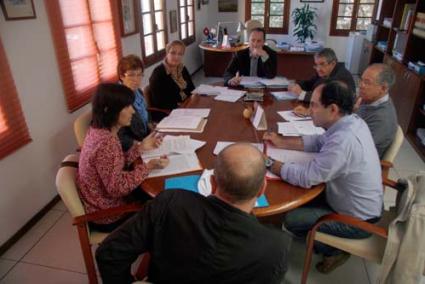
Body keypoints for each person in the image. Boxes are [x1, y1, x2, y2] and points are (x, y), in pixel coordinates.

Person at [96, 143, 288, 284]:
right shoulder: (276, 248)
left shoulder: (169, 203)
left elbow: (109, 253)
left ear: (212, 183)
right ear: (262, 189)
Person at [263, 81, 382, 273]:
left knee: (292, 219)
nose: (309, 110)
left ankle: (334, 251)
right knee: (295, 198)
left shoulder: (344, 141)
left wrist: (268, 163)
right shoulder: (350, 122)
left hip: (357, 220)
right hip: (351, 201)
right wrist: (281, 141)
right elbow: (319, 142)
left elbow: (307, 177)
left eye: (314, 105)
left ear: (333, 109)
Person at [77, 83, 169, 232]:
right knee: (164, 206)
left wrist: (140, 147)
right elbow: (117, 188)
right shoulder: (106, 143)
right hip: (108, 214)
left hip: (101, 200)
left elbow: (114, 164)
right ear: (109, 110)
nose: (133, 111)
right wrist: (149, 167)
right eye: (127, 107)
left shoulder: (97, 130)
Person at [356, 63, 398, 159]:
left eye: (367, 82)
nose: (361, 86)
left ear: (383, 88)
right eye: (361, 80)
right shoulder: (370, 98)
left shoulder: (382, 119)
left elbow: (358, 149)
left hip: (360, 163)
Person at [288, 48, 355, 102]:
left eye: (322, 64)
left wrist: (302, 94)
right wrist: (296, 85)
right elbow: (309, 83)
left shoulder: (341, 76)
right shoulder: (323, 72)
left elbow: (326, 98)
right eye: (316, 65)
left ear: (333, 63)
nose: (318, 69)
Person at [149, 40, 195, 113]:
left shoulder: (182, 68)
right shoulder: (158, 73)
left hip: (187, 106)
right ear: (167, 53)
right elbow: (158, 102)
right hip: (170, 112)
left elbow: (192, 88)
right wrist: (180, 106)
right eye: (173, 53)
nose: (176, 57)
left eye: (180, 54)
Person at [117, 54, 150, 151]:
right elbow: (119, 136)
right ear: (122, 76)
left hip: (146, 138)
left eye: (139, 74)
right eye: (131, 75)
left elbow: (146, 115)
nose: (136, 79)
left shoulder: (138, 92)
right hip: (132, 149)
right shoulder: (117, 99)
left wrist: (151, 127)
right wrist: (141, 145)